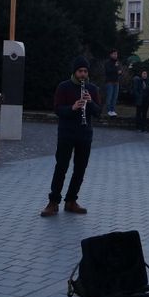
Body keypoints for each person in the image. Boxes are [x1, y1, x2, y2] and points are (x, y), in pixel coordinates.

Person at [41, 56, 100, 216]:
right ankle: (53, 202)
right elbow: (58, 110)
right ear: (75, 72)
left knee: (80, 169)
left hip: (85, 134)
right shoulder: (64, 87)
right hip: (66, 133)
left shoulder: (92, 89)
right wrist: (73, 107)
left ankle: (71, 200)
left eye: (85, 71)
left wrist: (90, 103)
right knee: (61, 167)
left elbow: (98, 112)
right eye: (80, 71)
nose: (83, 74)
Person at [103, 49, 122, 117]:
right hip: (109, 82)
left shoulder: (117, 62)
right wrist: (116, 69)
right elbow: (108, 71)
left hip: (116, 82)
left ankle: (113, 110)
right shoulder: (108, 62)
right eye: (114, 54)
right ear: (111, 55)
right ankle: (108, 110)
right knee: (109, 97)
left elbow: (119, 71)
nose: (115, 55)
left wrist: (120, 72)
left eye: (116, 54)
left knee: (115, 98)